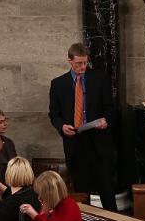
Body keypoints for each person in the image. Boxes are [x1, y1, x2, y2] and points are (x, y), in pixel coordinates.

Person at [48, 42, 118, 211]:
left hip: (99, 142)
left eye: (85, 62)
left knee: (107, 190)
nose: (83, 66)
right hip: (75, 143)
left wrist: (105, 120)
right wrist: (62, 126)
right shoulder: (58, 84)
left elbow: (110, 107)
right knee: (81, 192)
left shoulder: (100, 78)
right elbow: (54, 114)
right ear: (70, 61)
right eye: (79, 63)